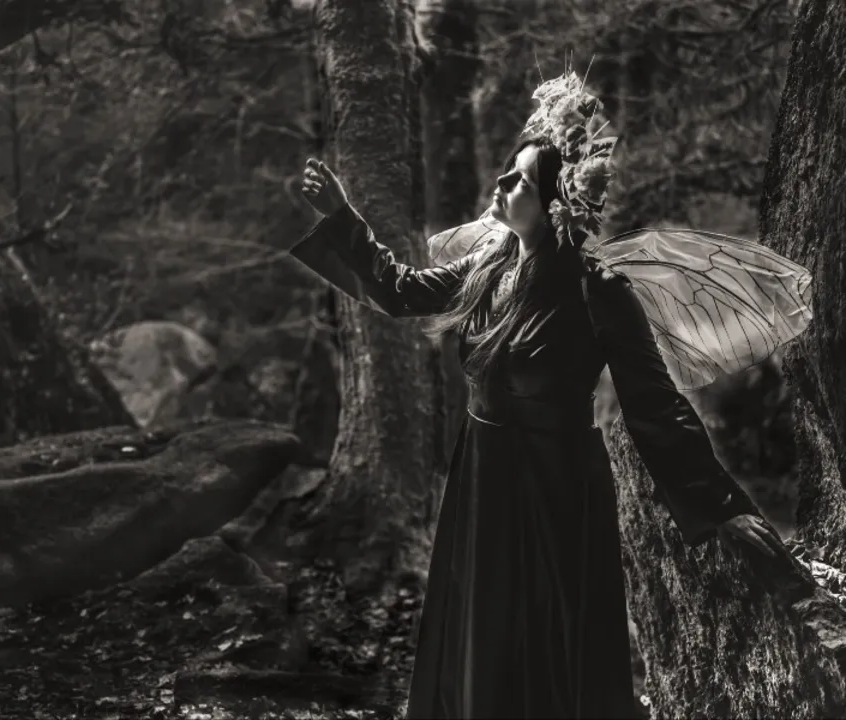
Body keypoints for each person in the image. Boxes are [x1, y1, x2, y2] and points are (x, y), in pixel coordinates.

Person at [291, 71, 800, 719]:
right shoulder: (490, 263)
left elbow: (654, 404)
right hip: (483, 477)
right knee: (484, 634)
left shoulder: (597, 290)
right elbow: (399, 290)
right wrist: (343, 217)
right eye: (508, 171)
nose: (502, 183)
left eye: (521, 182)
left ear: (556, 205)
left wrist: (723, 507)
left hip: (556, 488)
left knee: (549, 643)